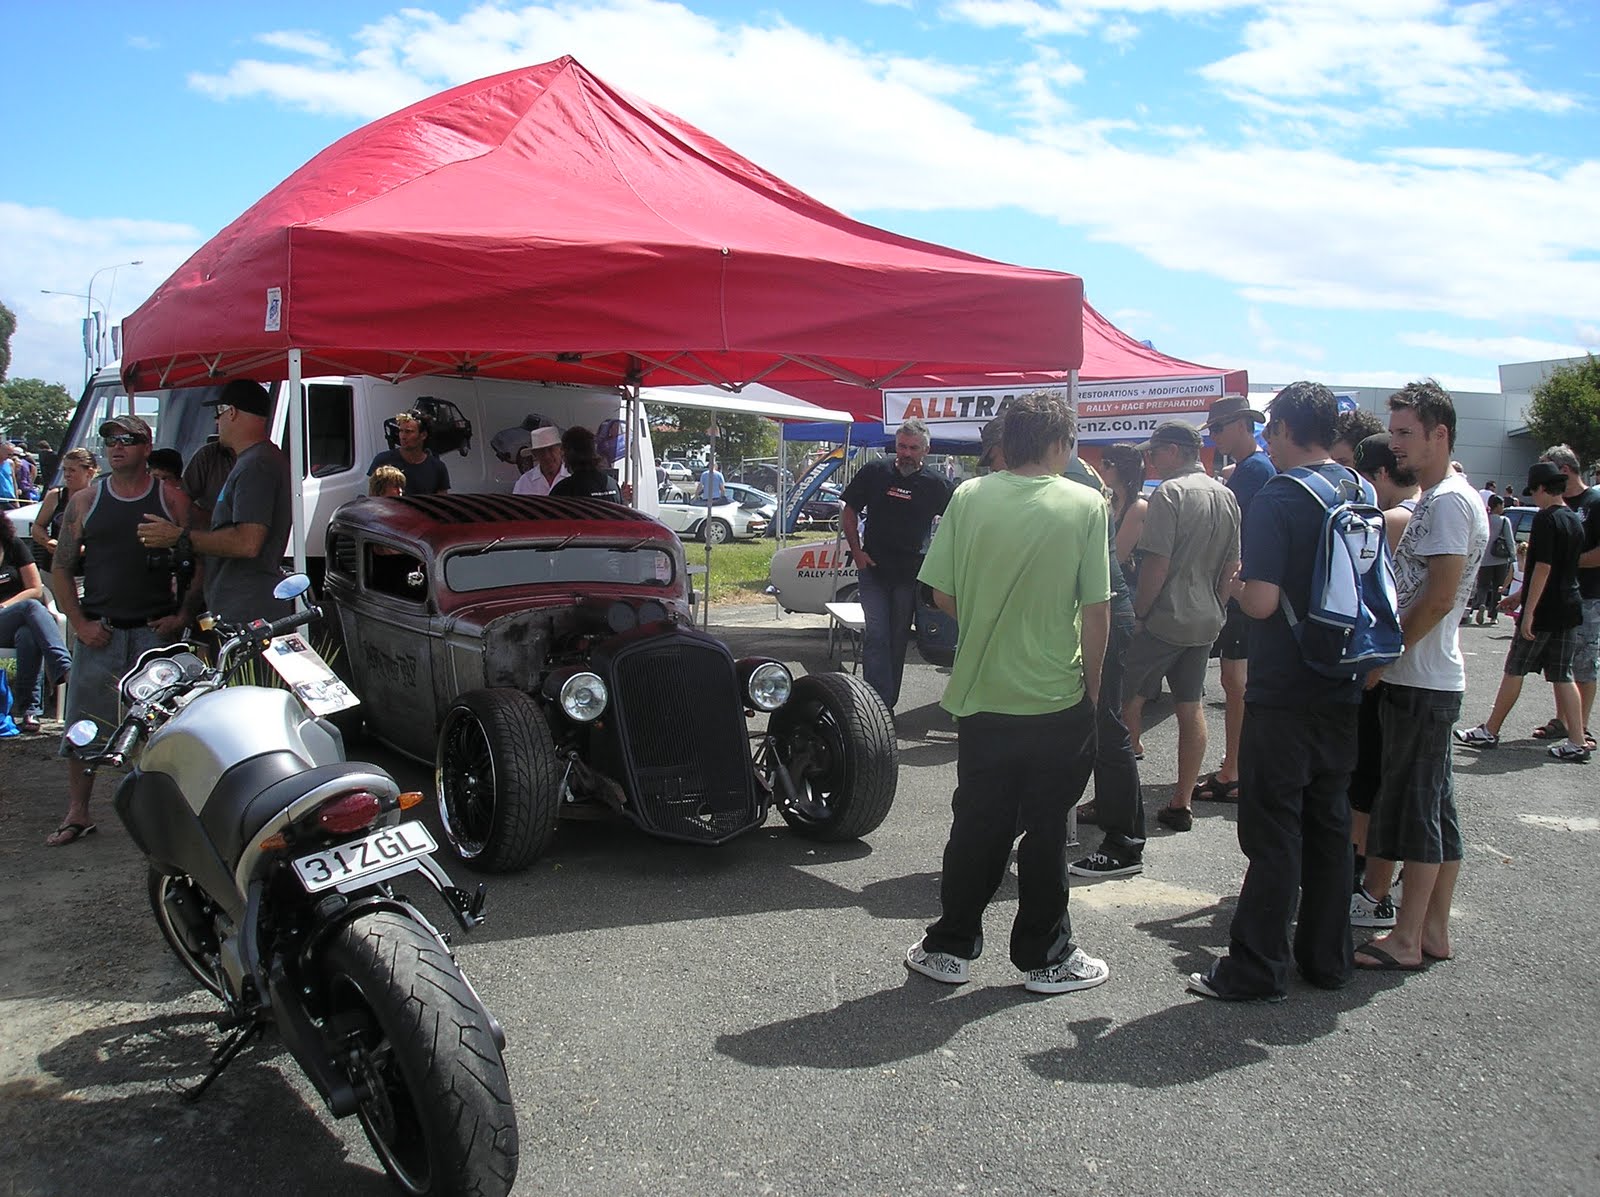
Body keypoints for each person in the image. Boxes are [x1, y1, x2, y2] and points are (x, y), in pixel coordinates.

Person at [907, 392, 1111, 995]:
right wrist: (1093, 695)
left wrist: (989, 610)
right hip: (1057, 694)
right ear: (1058, 443)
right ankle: (1047, 958)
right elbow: (1095, 610)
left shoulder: (970, 495)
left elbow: (940, 595)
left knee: (977, 824)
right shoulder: (1086, 504)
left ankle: (950, 947)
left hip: (984, 693)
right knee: (1048, 831)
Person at [1187, 381, 1368, 1001]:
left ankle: (1256, 967)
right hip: (1344, 676)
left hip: (1286, 684)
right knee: (1328, 823)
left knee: (1273, 831)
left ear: (1287, 428)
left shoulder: (1278, 495)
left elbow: (1261, 600)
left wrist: (1235, 586)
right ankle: (1327, 958)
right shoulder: (1357, 487)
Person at [1356, 380, 1487, 971]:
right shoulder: (1443, 496)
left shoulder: (1450, 500)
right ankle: (1430, 931)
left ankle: (1408, 938)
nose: (1397, 444)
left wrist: (1384, 657)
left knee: (1416, 812)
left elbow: (1437, 597)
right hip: (1426, 677)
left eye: (1407, 433)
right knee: (1435, 809)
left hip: (1421, 680)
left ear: (1441, 434)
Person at [48, 414, 191, 847]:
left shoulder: (172, 498)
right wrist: (79, 623)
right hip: (102, 633)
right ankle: (78, 812)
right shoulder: (86, 501)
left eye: (128, 439)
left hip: (154, 633)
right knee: (83, 726)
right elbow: (61, 567)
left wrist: (182, 615)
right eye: (110, 438)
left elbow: (197, 560)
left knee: (162, 730)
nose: (117, 446)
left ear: (147, 447)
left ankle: (162, 818)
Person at [1120, 422, 1241, 832]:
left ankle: (1118, 798)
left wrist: (1139, 613)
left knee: (1126, 702)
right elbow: (1231, 566)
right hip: (1205, 617)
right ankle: (1181, 801)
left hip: (1164, 616)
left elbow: (1157, 563)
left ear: (1173, 451)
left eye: (1154, 453)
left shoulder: (1168, 494)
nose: (1150, 461)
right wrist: (1219, 605)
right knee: (1190, 707)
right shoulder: (1227, 494)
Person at [1453, 462, 1588, 760]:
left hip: (1544, 609)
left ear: (1541, 488)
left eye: (1534, 492)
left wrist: (1528, 610)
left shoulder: (1546, 520)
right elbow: (1564, 568)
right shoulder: (1573, 519)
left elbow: (1542, 567)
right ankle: (1578, 740)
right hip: (1569, 604)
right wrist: (1519, 598)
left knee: (1515, 667)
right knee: (1563, 674)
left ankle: (1490, 729)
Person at [141, 379, 293, 627]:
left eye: (218, 413)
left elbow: (247, 542)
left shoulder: (257, 464)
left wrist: (179, 537)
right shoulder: (255, 460)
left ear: (230, 412)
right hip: (239, 604)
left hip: (247, 609)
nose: (216, 421)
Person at [1346, 432, 1421, 929]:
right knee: (1390, 781)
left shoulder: (1392, 520)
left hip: (1383, 667)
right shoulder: (1425, 511)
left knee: (1367, 779)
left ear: (1377, 475)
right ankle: (1375, 882)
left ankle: (1363, 880)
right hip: (1412, 670)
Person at [1195, 394, 1274, 806]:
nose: (1216, 437)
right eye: (1213, 430)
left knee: (1236, 682)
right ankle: (1235, 764)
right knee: (1234, 681)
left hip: (1243, 587)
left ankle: (1235, 770)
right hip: (1243, 585)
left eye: (1220, 428)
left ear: (1244, 424)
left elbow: (1239, 536)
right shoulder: (1250, 468)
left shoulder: (1254, 470)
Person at [840, 418, 951, 709]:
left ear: (926, 450)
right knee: (876, 635)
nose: (906, 453)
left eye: (914, 448)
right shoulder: (875, 471)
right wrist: (857, 552)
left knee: (897, 638)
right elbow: (849, 509)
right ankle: (873, 704)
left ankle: (886, 704)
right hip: (873, 570)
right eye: (902, 446)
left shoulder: (936, 484)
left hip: (910, 575)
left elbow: (958, 524)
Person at [1528, 444, 1600, 752]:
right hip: (1556, 598)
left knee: (1583, 665)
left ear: (1565, 471)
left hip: (1588, 596)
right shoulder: (1557, 505)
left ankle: (1580, 727)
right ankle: (1562, 720)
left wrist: (1563, 562)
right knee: (1560, 665)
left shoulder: (1594, 502)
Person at [0, 513, 71, 734]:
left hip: (10, 620)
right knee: (31, 608)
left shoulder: (12, 545)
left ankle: (29, 711)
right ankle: (65, 668)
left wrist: (5, 606)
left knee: (28, 635)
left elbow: (36, 589)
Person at [30, 448, 98, 575]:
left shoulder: (99, 498)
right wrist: (47, 542)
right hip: (52, 568)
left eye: (72, 470)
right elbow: (37, 527)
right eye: (65, 469)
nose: (66, 474)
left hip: (85, 572)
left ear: (89, 473)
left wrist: (84, 550)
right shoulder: (56, 496)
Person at [367, 410, 450, 495]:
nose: (403, 436)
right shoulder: (382, 461)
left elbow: (442, 503)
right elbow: (372, 497)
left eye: (408, 432)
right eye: (401, 431)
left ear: (423, 435)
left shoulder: (438, 468)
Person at [1466, 494, 1516, 625]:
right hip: (1500, 559)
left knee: (1482, 585)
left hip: (1483, 559)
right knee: (1497, 587)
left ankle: (1481, 604)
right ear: (1498, 506)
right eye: (1502, 505)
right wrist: (1513, 556)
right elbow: (1509, 541)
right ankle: (1493, 615)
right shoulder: (1504, 521)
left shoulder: (1484, 519)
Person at [550, 426, 622, 502]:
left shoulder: (563, 490)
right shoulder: (613, 486)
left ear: (569, 453)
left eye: (563, 449)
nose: (562, 454)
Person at [182, 437, 237, 531]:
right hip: (209, 534)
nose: (217, 422)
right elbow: (183, 500)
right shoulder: (208, 455)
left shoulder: (264, 459)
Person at [513, 426, 568, 496]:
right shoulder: (525, 481)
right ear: (535, 455)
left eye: (550, 449)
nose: (547, 456)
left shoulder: (572, 477)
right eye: (542, 452)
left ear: (561, 450)